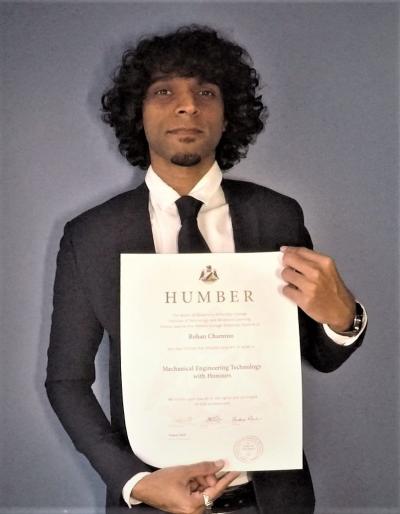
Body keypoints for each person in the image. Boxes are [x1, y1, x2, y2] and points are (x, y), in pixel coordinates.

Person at [46, 25, 367, 514]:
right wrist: (133, 482)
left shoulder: (277, 215)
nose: (187, 105)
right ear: (137, 113)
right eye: (164, 91)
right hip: (154, 500)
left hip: (273, 500)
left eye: (206, 92)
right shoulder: (91, 235)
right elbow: (66, 381)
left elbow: (317, 355)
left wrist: (344, 321)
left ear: (227, 115)